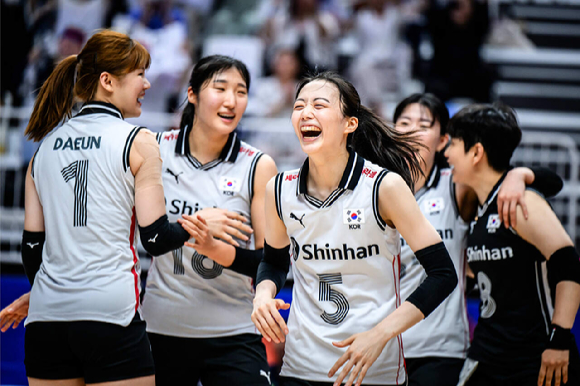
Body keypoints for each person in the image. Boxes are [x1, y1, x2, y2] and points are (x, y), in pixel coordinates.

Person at [250, 71, 458, 386]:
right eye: (299, 105)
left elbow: (443, 273)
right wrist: (263, 295)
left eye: (320, 105)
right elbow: (274, 262)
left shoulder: (384, 186)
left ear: (350, 123)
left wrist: (380, 335)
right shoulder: (278, 189)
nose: (306, 112)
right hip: (300, 366)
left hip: (372, 370)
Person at [20, 30, 194, 386]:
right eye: (140, 74)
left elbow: (31, 250)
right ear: (107, 81)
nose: (147, 84)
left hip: (46, 320)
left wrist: (48, 292)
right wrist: (197, 225)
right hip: (110, 317)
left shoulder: (43, 149)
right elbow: (157, 237)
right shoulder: (138, 141)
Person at [393, 93, 564, 386]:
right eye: (404, 122)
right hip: (386, 346)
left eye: (423, 124)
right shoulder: (380, 187)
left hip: (440, 348)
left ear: (443, 140)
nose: (411, 130)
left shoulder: (455, 183)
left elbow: (550, 182)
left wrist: (519, 175)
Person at [141, 55, 277, 386]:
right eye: (220, 88)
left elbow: (269, 261)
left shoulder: (258, 166)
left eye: (241, 91)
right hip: (161, 328)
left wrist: (215, 248)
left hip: (233, 332)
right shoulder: (154, 150)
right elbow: (147, 239)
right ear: (192, 94)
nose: (231, 100)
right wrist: (197, 223)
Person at [444, 104, 580, 386]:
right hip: (489, 352)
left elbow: (568, 265)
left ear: (477, 152)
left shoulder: (521, 201)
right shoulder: (481, 208)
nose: (447, 153)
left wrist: (560, 339)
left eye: (453, 144)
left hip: (535, 358)